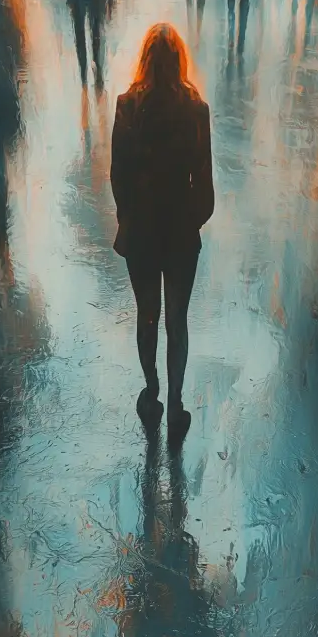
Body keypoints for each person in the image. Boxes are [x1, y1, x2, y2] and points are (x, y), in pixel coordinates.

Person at [110, 23, 214, 438]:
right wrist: (191, 221)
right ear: (180, 61)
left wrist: (129, 218)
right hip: (180, 234)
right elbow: (205, 188)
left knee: (147, 316)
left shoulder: (126, 105)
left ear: (145, 60)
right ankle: (175, 405)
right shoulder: (196, 110)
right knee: (177, 321)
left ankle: (150, 391)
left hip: (141, 232)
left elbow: (118, 175)